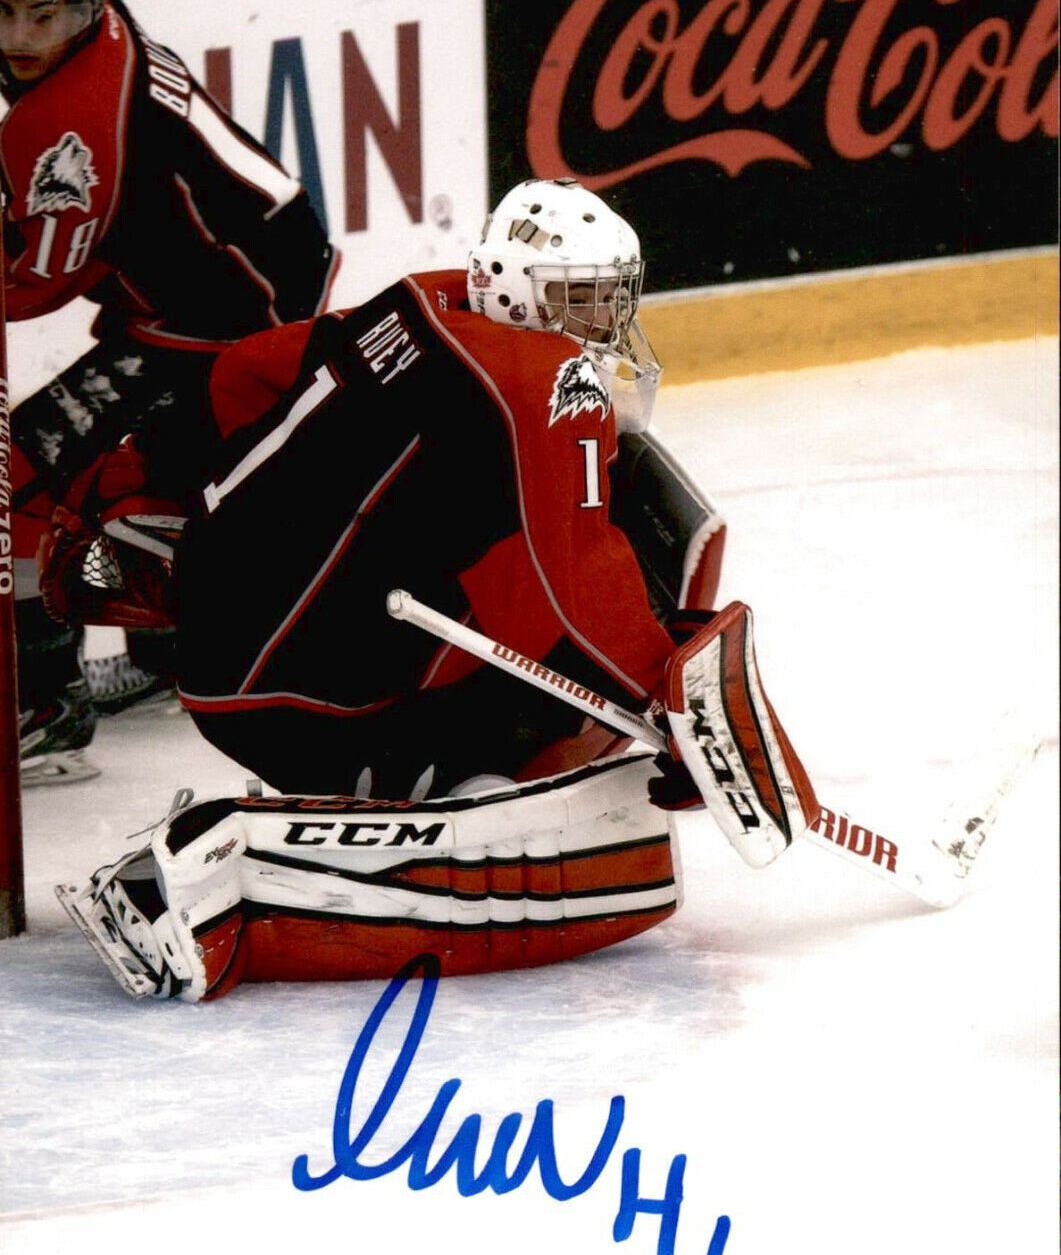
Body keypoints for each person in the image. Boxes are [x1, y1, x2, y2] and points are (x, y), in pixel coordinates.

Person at [45, 177, 819, 1002]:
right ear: (519, 293)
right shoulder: (547, 377)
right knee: (611, 568)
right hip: (296, 701)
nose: (600, 327)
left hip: (220, 640)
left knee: (475, 533)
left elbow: (243, 372)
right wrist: (673, 705)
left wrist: (140, 476)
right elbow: (574, 589)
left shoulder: (426, 300)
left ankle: (410, 762)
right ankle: (424, 787)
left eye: (608, 301)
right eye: (580, 301)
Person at [0, 0, 337, 784]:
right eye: (5, 11)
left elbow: (36, 282)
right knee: (171, 481)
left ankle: (42, 703)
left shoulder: (71, 119)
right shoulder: (97, 31)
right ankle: (170, 652)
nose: (23, 35)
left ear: (86, 3)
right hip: (246, 272)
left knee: (20, 477)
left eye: (46, 14)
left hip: (225, 320)